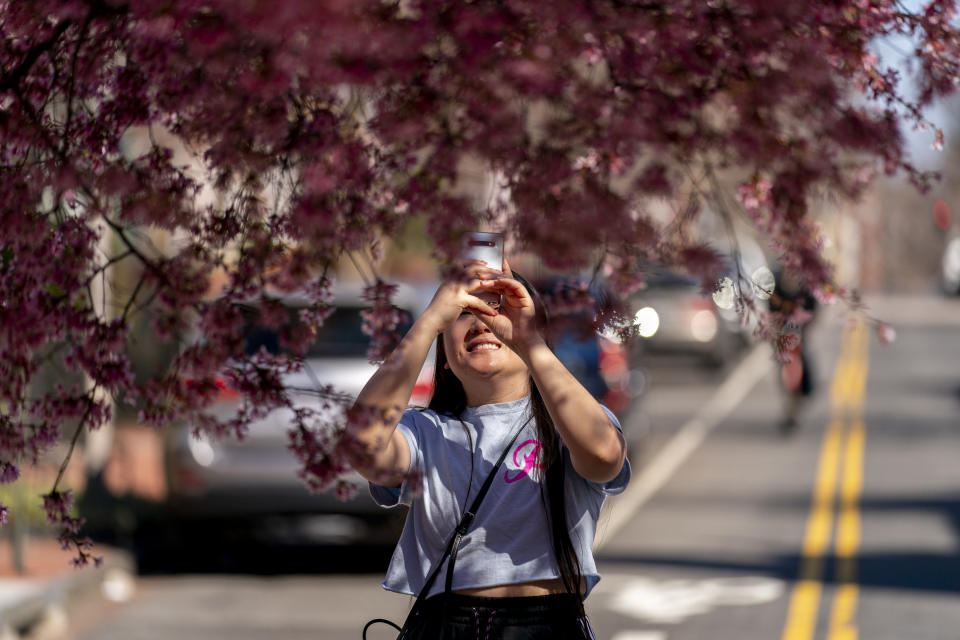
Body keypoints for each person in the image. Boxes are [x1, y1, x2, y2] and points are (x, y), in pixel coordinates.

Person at [345, 257, 631, 639]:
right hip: (446, 625)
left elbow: (603, 456)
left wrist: (529, 341)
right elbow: (364, 447)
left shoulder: (569, 421)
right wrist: (428, 322)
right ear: (444, 360)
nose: (483, 321)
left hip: (547, 625)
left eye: (498, 307)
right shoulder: (424, 432)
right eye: (465, 311)